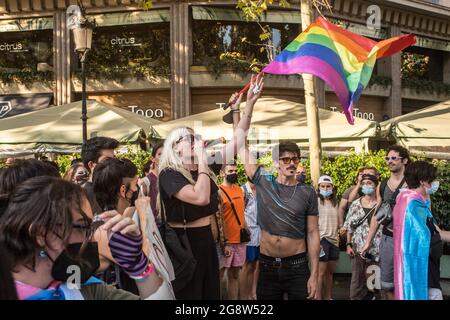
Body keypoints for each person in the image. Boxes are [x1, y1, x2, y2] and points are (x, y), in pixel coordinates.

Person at [157, 74, 263, 300]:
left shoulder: (202, 167)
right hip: (184, 241)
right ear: (175, 148)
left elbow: (238, 139)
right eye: (189, 138)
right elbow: (201, 197)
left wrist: (247, 106)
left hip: (206, 238)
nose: (195, 140)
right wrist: (204, 160)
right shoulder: (169, 174)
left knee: (210, 292)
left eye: (195, 137)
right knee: (190, 294)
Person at [0, 176, 162, 300]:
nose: (92, 239)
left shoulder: (77, 286)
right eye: (83, 227)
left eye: (92, 227)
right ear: (40, 234)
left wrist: (139, 267)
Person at [236, 121, 320, 300]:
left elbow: (313, 233)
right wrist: (240, 110)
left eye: (295, 159)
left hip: (297, 267)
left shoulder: (308, 192)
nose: (292, 163)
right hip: (267, 267)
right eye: (286, 159)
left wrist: (314, 275)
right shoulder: (264, 183)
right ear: (276, 163)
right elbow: (241, 145)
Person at [92, 157, 174, 298]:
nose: (138, 189)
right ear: (123, 190)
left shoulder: (115, 220)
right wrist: (143, 217)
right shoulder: (106, 230)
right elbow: (144, 262)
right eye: (136, 184)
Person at [393, 161, 445, 300]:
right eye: (432, 180)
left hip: (426, 270)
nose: (435, 183)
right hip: (422, 271)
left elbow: (436, 232)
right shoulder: (412, 203)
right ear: (423, 181)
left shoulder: (416, 202)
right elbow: (425, 236)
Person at [372, 145, 409, 300]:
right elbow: (377, 214)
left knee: (407, 281)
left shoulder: (413, 183)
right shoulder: (382, 184)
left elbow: (426, 209)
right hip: (388, 238)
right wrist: (368, 241)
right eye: (387, 158)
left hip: (408, 239)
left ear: (405, 160)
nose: (390, 161)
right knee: (387, 284)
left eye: (394, 158)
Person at [343, 173, 382, 300]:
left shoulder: (382, 205)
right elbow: (349, 226)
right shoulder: (355, 204)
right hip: (357, 249)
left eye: (369, 183)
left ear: (376, 185)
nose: (366, 186)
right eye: (364, 184)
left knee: (374, 282)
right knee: (357, 280)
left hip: (376, 249)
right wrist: (348, 245)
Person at [219, 163, 246, 300]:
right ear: (223, 173)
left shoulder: (240, 190)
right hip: (226, 242)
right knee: (220, 276)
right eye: (230, 171)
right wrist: (224, 242)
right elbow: (218, 218)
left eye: (235, 170)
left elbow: (242, 212)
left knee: (235, 275)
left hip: (240, 240)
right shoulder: (218, 191)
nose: (234, 173)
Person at [81, 136, 119, 215]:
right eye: (107, 160)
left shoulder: (112, 189)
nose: (113, 164)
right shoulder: (83, 196)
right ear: (91, 165)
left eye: (114, 159)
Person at [316, 175, 340, 300]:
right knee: (321, 273)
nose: (325, 188)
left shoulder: (336, 202)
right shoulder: (315, 202)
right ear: (318, 187)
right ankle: (318, 297)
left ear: (332, 187)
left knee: (330, 273)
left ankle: (328, 297)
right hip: (322, 240)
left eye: (328, 186)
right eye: (322, 186)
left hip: (334, 241)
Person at [239, 178, 260, 300]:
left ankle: (251, 294)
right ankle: (243, 297)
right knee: (246, 266)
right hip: (248, 235)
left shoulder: (261, 190)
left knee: (254, 265)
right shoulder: (243, 190)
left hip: (259, 234)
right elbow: (239, 212)